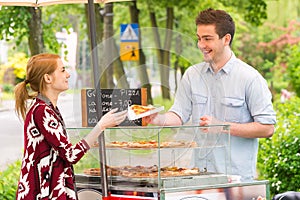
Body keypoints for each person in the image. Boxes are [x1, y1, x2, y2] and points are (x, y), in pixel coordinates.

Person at [145, 8, 276, 182]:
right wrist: (156, 119)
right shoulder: (192, 75)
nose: (201, 45)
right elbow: (178, 114)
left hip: (235, 181)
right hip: (198, 176)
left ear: (226, 39)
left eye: (207, 39)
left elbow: (267, 128)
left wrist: (222, 126)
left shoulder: (250, 78)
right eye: (199, 38)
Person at [14, 53, 127, 200]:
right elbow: (70, 155)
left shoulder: (46, 108)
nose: (68, 74)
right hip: (41, 193)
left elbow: (60, 149)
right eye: (62, 70)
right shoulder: (42, 111)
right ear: (48, 78)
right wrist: (101, 126)